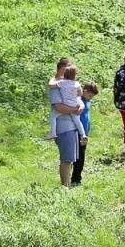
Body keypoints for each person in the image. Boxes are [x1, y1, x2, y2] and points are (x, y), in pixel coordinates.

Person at [48, 58, 84, 189]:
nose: (69, 71)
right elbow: (59, 107)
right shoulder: (56, 86)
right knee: (66, 159)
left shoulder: (68, 84)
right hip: (64, 126)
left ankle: (67, 186)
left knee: (70, 159)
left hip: (72, 125)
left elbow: (78, 98)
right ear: (61, 69)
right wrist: (75, 109)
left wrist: (81, 105)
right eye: (67, 68)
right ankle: (65, 188)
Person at [70, 81, 98, 186]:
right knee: (79, 157)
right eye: (90, 95)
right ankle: (76, 179)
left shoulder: (87, 100)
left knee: (81, 155)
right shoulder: (79, 100)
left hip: (85, 132)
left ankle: (77, 177)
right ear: (84, 91)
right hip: (77, 132)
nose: (91, 98)